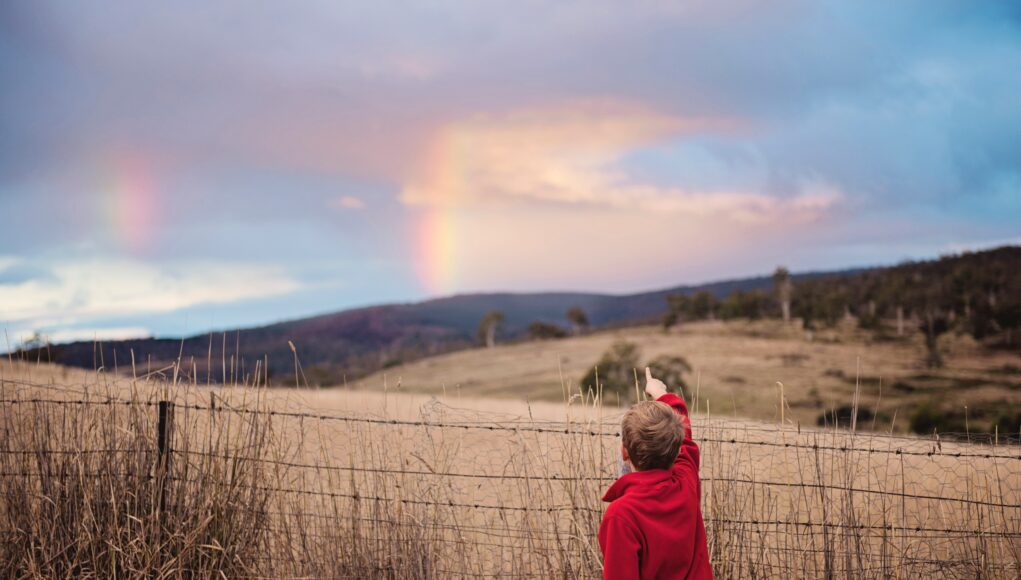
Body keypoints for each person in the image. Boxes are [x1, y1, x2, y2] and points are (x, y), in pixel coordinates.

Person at [598, 368, 713, 579]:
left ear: (625, 451)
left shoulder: (621, 515)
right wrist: (662, 394)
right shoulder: (685, 481)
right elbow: (685, 437)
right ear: (676, 448)